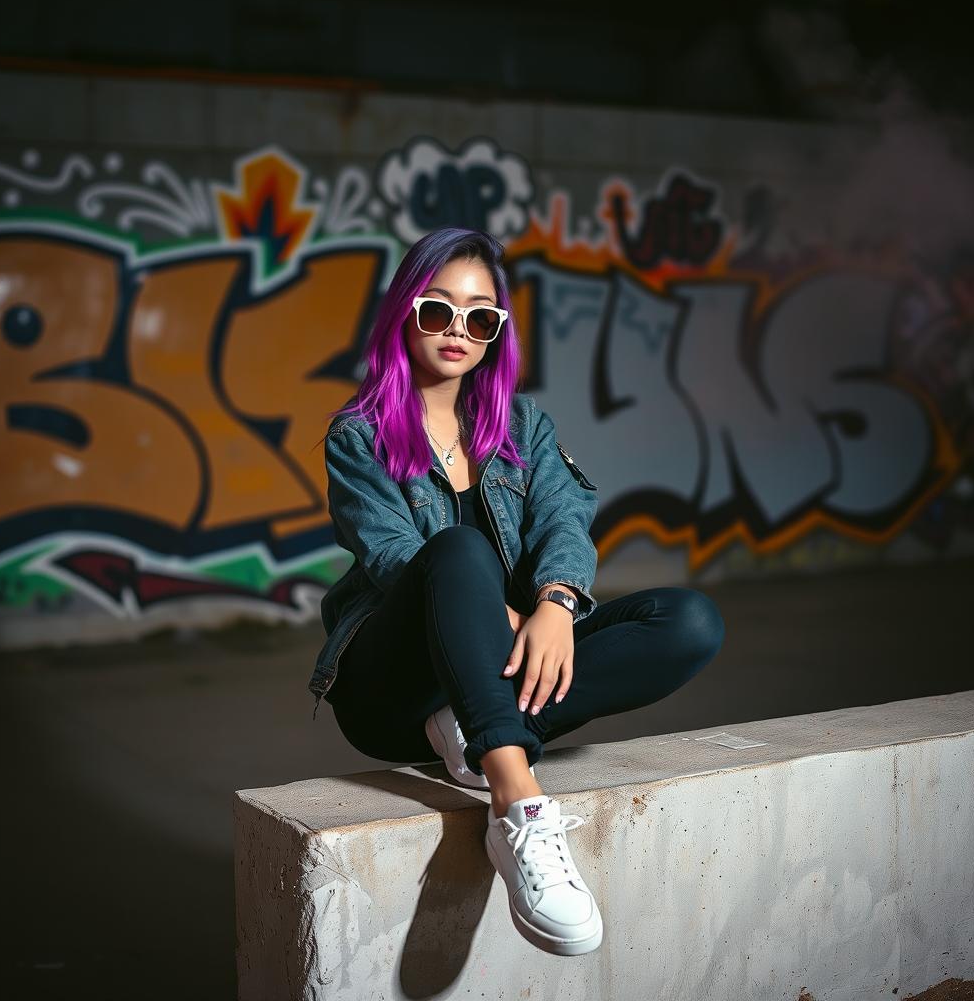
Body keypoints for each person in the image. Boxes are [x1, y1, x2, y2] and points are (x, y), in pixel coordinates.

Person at [308, 227, 725, 956]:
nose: (457, 332)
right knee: (456, 548)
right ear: (404, 313)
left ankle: (479, 727)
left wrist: (559, 604)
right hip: (393, 688)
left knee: (688, 620)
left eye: (480, 317)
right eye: (438, 311)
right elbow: (397, 557)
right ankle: (519, 805)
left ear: (496, 332)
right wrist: (516, 622)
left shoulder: (522, 425)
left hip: (496, 680)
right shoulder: (359, 434)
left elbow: (566, 517)